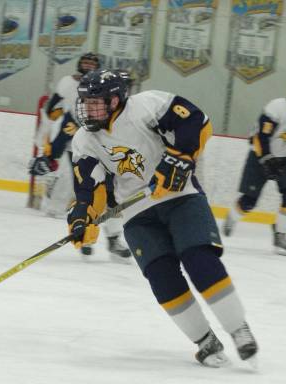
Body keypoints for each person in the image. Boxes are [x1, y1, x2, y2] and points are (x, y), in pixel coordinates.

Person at [67, 69, 258, 367]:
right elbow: (89, 187)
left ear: (115, 100)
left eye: (95, 103)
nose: (87, 109)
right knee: (162, 277)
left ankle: (238, 328)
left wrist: (180, 158)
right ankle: (204, 340)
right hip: (136, 214)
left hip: (180, 196)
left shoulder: (147, 105)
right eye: (85, 102)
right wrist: (83, 216)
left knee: (199, 259)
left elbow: (196, 121)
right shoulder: (84, 140)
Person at [29, 54, 131, 261]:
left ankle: (113, 239)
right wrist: (49, 155)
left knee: (112, 197)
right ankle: (88, 235)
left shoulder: (119, 107)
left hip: (107, 151)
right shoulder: (72, 94)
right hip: (82, 150)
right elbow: (62, 119)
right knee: (90, 193)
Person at [223, 78, 286, 256]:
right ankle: (233, 216)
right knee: (249, 201)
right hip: (260, 156)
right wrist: (267, 158)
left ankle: (280, 234)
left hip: (285, 159)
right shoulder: (277, 107)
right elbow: (260, 136)